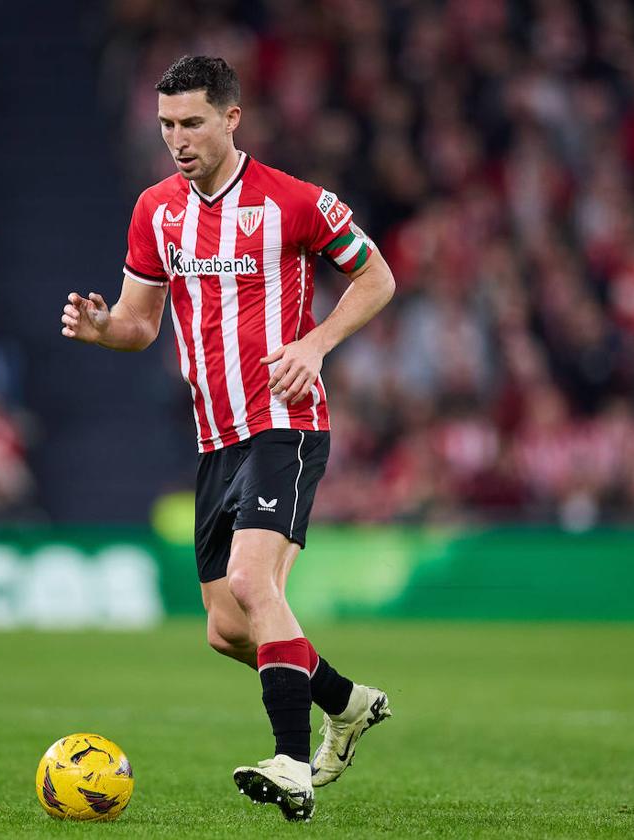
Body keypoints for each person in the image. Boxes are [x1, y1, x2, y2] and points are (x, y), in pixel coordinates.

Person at [60, 55, 395, 821]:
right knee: (224, 629)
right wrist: (101, 329)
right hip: (218, 439)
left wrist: (314, 346)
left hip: (286, 425)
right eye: (167, 125)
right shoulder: (156, 211)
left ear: (231, 118)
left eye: (192, 123)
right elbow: (141, 324)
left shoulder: (294, 202)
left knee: (254, 585)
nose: (177, 139)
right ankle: (344, 704)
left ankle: (290, 761)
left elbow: (377, 278)